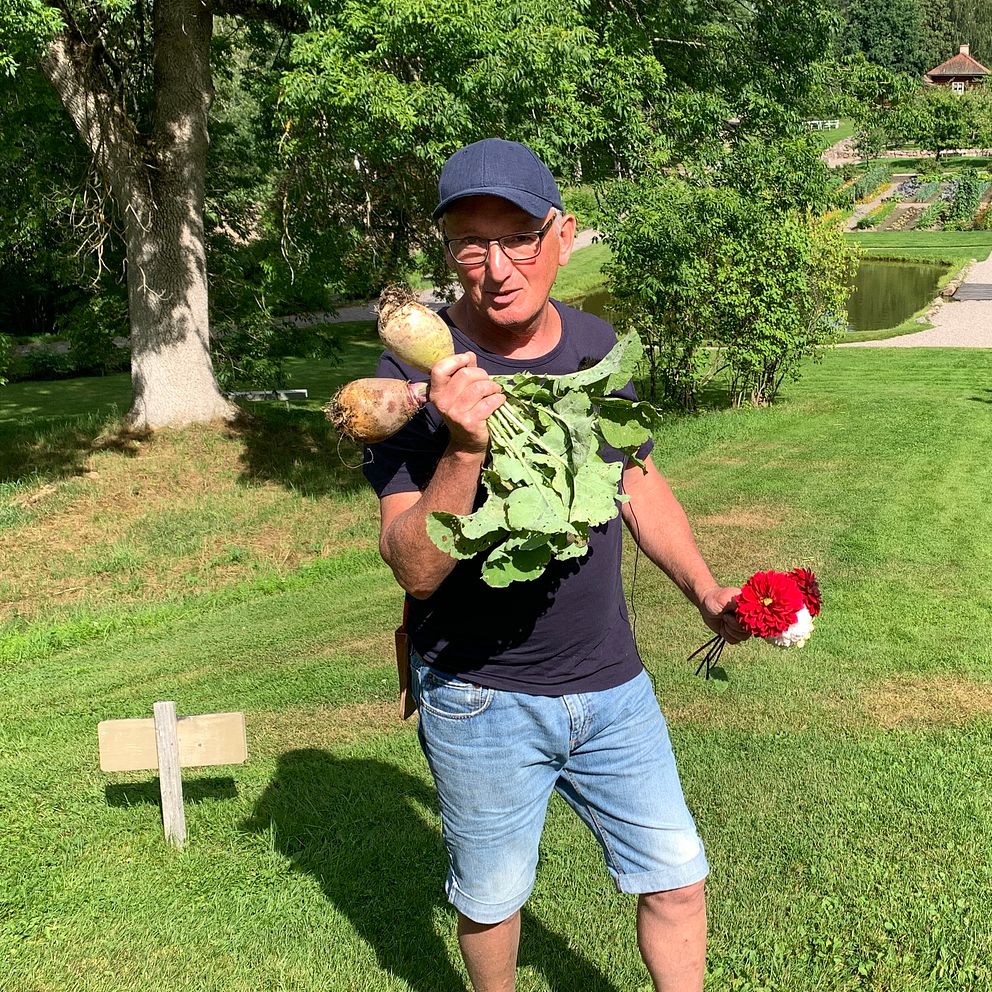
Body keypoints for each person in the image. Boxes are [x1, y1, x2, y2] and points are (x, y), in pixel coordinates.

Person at [362, 137, 748, 992]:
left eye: (519, 237)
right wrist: (463, 447)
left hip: (612, 683)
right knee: (493, 901)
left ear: (563, 235)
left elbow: (638, 483)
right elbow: (413, 568)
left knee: (678, 879)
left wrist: (705, 589)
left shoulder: (595, 347)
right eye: (472, 242)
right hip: (479, 695)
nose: (497, 268)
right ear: (449, 251)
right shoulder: (411, 377)